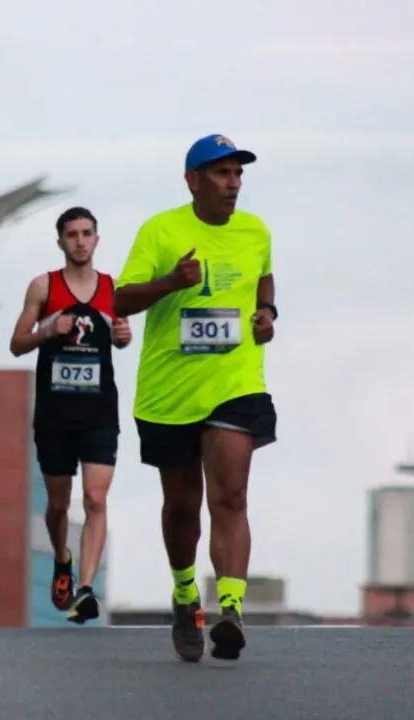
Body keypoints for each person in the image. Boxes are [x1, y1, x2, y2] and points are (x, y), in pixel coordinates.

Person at [113, 134, 278, 662]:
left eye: (238, 175)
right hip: (169, 392)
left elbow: (265, 281)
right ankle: (186, 597)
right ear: (193, 180)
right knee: (182, 506)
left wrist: (268, 314)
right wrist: (170, 282)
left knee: (230, 495)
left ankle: (230, 606)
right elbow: (118, 298)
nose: (233, 184)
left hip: (235, 385)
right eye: (222, 174)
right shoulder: (160, 230)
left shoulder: (255, 231)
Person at [9, 207, 132, 624]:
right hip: (55, 413)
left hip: (99, 410)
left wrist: (123, 336)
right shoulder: (44, 286)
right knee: (58, 505)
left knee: (96, 498)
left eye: (87, 234)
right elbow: (16, 343)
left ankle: (85, 588)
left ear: (97, 239)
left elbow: (121, 335)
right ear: (60, 241)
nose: (80, 241)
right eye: (72, 235)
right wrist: (47, 330)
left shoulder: (113, 290)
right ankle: (63, 557)